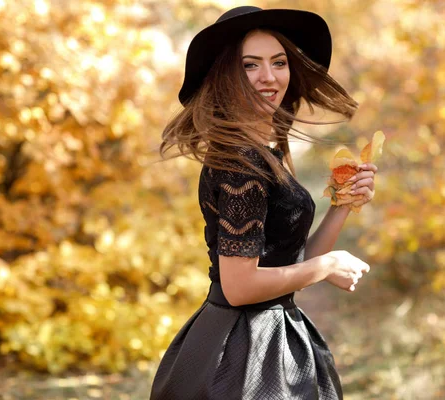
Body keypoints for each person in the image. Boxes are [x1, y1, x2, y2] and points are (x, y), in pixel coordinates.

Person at [150, 6, 377, 400]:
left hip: (267, 334)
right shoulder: (242, 164)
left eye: (279, 62)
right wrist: (326, 266)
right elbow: (240, 287)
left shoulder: (265, 150)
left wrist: (343, 202)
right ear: (225, 76)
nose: (269, 77)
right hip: (245, 353)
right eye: (250, 65)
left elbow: (288, 264)